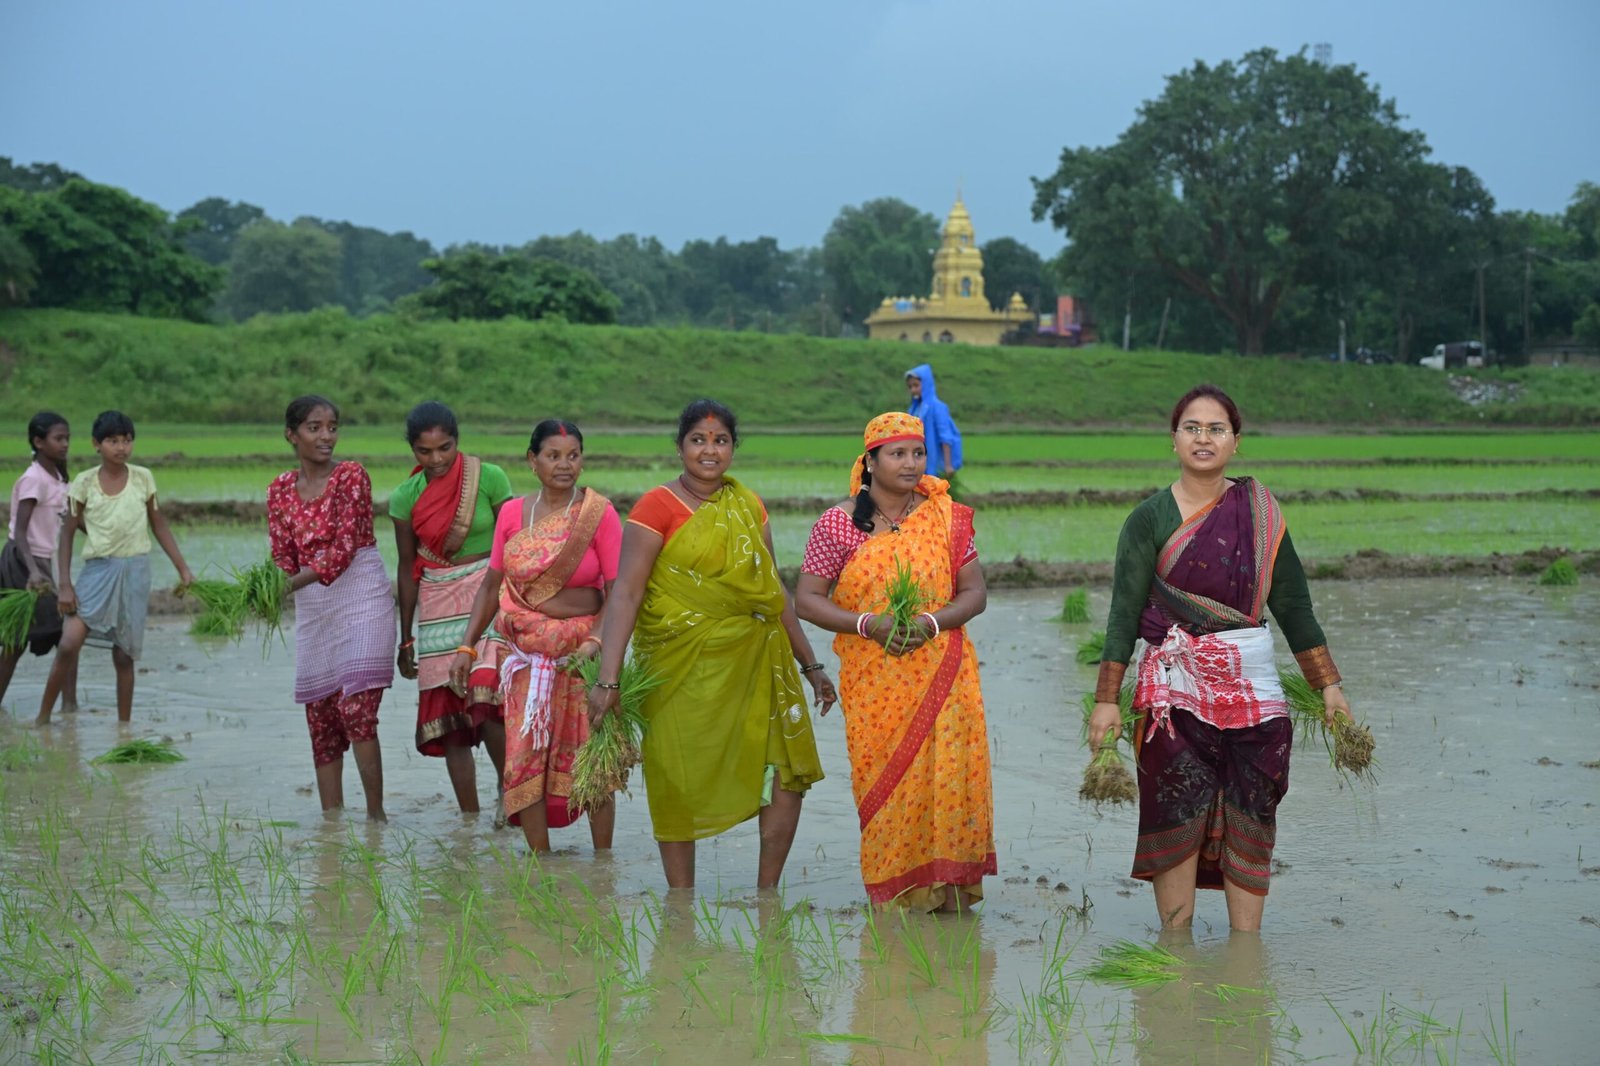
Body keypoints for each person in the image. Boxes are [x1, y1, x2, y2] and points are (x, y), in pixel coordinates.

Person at [1087, 383, 1354, 932]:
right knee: (1175, 807)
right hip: (1171, 689)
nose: (1203, 438)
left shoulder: (1260, 513)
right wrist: (1106, 700)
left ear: (1236, 442)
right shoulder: (1148, 519)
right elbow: (1123, 613)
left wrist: (1327, 684)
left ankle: (1245, 952)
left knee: (1253, 809)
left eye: (1216, 429)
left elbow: (1293, 604)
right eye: (1192, 427)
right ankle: (1176, 946)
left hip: (1251, 687)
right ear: (1173, 440)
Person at [587, 399, 834, 890]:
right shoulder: (654, 508)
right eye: (698, 440)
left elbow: (772, 589)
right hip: (678, 668)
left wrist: (812, 664)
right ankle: (680, 902)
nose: (709, 450)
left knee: (784, 771)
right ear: (680, 447)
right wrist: (608, 679)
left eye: (720, 440)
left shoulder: (748, 505)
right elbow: (627, 594)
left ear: (733, 449)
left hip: (754, 660)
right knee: (677, 775)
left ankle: (768, 895)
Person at [795, 412, 996, 911]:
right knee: (886, 782)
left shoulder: (944, 516)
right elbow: (807, 599)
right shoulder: (838, 525)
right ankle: (900, 895)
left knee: (950, 778)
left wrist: (930, 623)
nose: (911, 463)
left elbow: (975, 592)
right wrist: (869, 624)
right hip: (875, 679)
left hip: (945, 672)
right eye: (898, 453)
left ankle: (950, 893)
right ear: (869, 462)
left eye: (918, 453)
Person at [450, 419, 623, 852]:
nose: (565, 465)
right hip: (527, 659)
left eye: (574, 455)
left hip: (583, 658)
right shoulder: (511, 513)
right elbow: (492, 586)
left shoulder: (597, 514)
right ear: (532, 461)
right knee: (524, 756)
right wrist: (466, 646)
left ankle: (603, 861)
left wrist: (597, 643)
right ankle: (539, 862)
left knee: (591, 758)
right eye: (553, 455)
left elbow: (619, 594)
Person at [268, 396, 396, 820]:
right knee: (321, 719)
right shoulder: (280, 490)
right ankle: (333, 825)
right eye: (314, 428)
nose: (326, 437)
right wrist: (269, 587)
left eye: (332, 427)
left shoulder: (351, 477)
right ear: (292, 435)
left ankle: (375, 818)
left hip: (360, 596)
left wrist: (286, 585)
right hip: (315, 606)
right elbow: (283, 556)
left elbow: (342, 552)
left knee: (356, 708)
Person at [389, 401, 514, 814]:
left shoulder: (489, 477)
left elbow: (513, 544)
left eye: (445, 448)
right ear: (412, 450)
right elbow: (408, 568)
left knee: (488, 697)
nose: (437, 459)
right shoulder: (405, 498)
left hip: (488, 593)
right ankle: (469, 819)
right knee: (451, 718)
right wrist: (405, 637)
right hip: (438, 600)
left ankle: (509, 790)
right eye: (425, 452)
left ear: (457, 441)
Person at [38, 411, 194, 725]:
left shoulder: (143, 478)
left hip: (135, 572)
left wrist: (183, 568)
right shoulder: (83, 482)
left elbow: (158, 524)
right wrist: (65, 585)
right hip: (97, 571)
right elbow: (67, 533)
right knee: (69, 643)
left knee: (123, 655)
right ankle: (43, 718)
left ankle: (124, 729)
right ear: (97, 444)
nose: (121, 447)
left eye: (127, 440)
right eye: (113, 441)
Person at [1, 413, 78, 711]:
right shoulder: (34, 478)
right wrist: (33, 572)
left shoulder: (58, 478)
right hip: (24, 562)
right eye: (59, 439)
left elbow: (70, 521)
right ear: (38, 441)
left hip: (41, 563)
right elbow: (20, 531)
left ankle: (69, 706)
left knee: (21, 641)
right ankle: (68, 708)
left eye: (68, 438)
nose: (65, 444)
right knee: (62, 634)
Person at [904, 363, 963, 478]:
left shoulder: (938, 407)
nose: (913, 390)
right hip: (918, 461)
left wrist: (948, 465)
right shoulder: (913, 409)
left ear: (926, 384)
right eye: (910, 387)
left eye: (916, 385)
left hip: (935, 461)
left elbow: (945, 437)